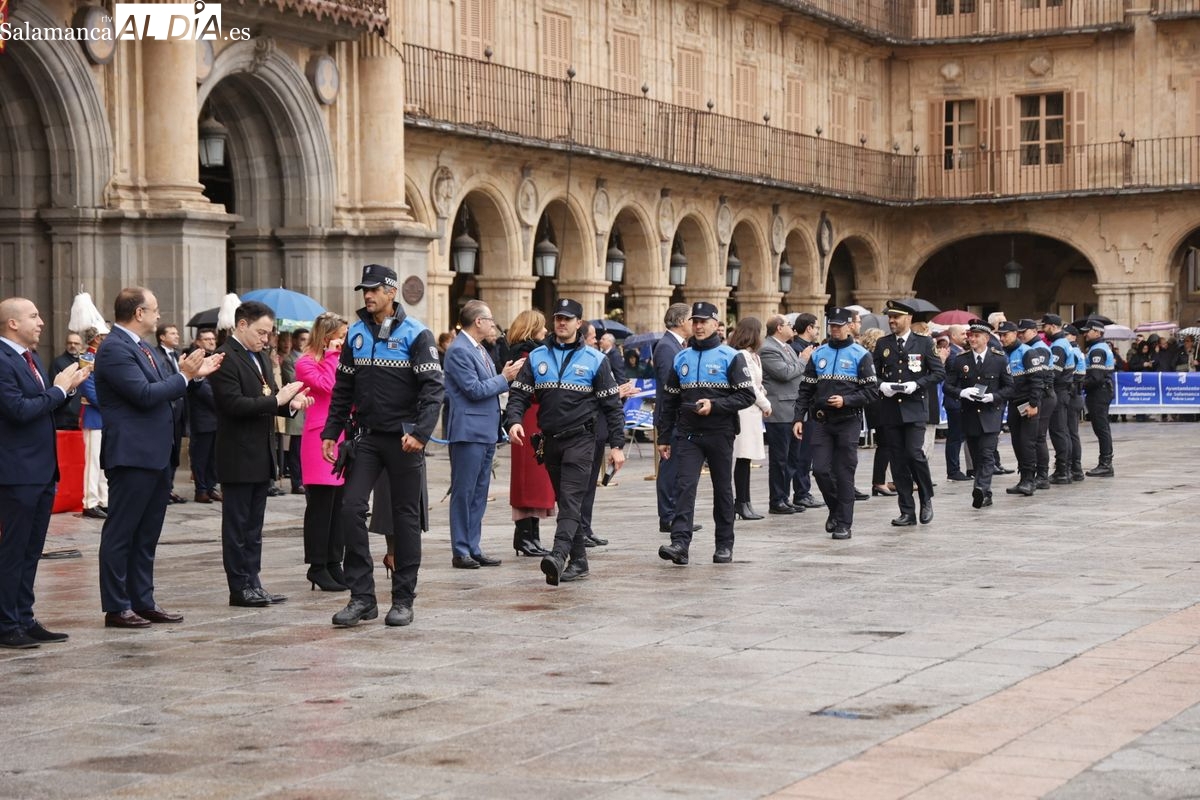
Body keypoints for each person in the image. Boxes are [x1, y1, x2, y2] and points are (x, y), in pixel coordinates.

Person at [323, 264, 445, 627]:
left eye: (374, 289)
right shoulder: (356, 334)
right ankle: (362, 597)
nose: (368, 295)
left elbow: (433, 388)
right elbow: (343, 390)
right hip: (369, 438)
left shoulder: (416, 333)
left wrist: (421, 433)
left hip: (405, 440)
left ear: (391, 292)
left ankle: (404, 598)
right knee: (350, 509)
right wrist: (332, 431)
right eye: (364, 290)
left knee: (405, 518)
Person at [96, 287, 223, 629]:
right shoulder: (114, 349)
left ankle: (143, 599)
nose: (158, 314)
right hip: (132, 454)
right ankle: (117, 605)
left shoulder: (145, 348)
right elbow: (144, 394)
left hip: (156, 453)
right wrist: (186, 375)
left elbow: (168, 387)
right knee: (122, 531)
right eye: (153, 309)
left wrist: (193, 378)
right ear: (138, 313)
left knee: (147, 533)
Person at [504, 299, 625, 584]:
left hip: (583, 439)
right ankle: (580, 561)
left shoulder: (596, 360)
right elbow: (519, 395)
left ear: (578, 323)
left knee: (571, 500)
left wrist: (617, 446)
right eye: (558, 317)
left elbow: (612, 406)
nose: (561, 323)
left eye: (567, 319)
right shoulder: (537, 357)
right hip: (550, 441)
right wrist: (514, 421)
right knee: (564, 500)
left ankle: (559, 556)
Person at [211, 300, 312, 609]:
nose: (266, 339)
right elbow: (233, 404)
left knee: (254, 528)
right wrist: (277, 401)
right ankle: (238, 586)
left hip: (260, 453)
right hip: (238, 455)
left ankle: (254, 581)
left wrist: (289, 404)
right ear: (242, 325)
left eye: (268, 333)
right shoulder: (226, 358)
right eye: (261, 332)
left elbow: (267, 398)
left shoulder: (261, 358)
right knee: (238, 526)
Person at [0, 297, 89, 648]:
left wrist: (70, 386)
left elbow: (44, 407)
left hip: (41, 469)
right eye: (34, 316)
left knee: (32, 549)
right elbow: (20, 410)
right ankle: (6, 623)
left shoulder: (31, 357)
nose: (41, 322)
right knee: (13, 549)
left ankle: (24, 615)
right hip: (16, 471)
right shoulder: (3, 361)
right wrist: (59, 388)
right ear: (12, 323)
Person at [655, 302, 755, 565]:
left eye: (704, 322)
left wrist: (716, 405)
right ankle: (680, 543)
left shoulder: (731, 356)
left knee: (722, 488)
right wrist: (664, 437)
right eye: (695, 321)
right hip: (688, 434)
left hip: (720, 432)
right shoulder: (681, 357)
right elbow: (670, 401)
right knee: (684, 486)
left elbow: (747, 395)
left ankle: (724, 544)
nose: (698, 326)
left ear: (715, 324)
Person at [444, 301, 525, 569]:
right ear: (478, 321)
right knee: (464, 492)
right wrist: (505, 377)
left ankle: (473, 545)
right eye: (489, 319)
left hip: (486, 430)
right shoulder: (458, 350)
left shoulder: (479, 349)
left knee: (479, 492)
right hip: (468, 432)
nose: (493, 324)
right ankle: (460, 549)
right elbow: (474, 390)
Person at [791, 307, 879, 539]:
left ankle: (844, 524)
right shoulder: (819, 354)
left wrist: (847, 400)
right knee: (820, 470)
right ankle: (836, 509)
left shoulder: (861, 354)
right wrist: (799, 417)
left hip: (847, 421)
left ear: (849, 326)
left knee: (844, 472)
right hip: (821, 421)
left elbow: (871, 392)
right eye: (832, 326)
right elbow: (806, 389)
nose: (835, 330)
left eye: (840, 326)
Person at [875, 299, 945, 527]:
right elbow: (872, 374)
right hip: (890, 409)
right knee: (897, 460)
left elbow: (938, 372)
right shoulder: (883, 343)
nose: (892, 321)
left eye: (896, 317)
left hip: (914, 407)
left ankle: (926, 499)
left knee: (914, 453)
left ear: (909, 318)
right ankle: (907, 509)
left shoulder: (924, 343)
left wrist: (918, 384)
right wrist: (881, 385)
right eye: (890, 317)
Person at [296, 312, 350, 591]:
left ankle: (333, 562)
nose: (345, 339)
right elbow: (329, 386)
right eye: (342, 334)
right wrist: (331, 357)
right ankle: (317, 565)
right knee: (321, 505)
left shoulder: (341, 360)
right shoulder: (306, 362)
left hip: (342, 436)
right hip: (318, 437)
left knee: (339, 505)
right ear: (329, 337)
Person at [943, 320, 1014, 510]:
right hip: (970, 414)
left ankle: (980, 488)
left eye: (976, 336)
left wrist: (993, 396)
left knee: (987, 454)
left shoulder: (999, 359)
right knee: (976, 456)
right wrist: (962, 392)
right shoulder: (961, 360)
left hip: (991, 414)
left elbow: (1009, 387)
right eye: (970, 335)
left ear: (986, 338)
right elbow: (947, 385)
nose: (972, 339)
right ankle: (986, 494)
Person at [505, 309, 554, 557]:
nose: (546, 331)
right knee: (527, 478)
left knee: (537, 477)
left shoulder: (532, 351)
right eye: (542, 327)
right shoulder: (525, 354)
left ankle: (532, 535)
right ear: (532, 328)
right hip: (527, 416)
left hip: (537, 416)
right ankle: (523, 536)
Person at [652, 303, 699, 535]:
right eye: (693, 319)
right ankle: (668, 516)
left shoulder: (679, 345)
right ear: (681, 321)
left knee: (680, 468)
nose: (696, 324)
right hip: (670, 418)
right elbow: (670, 383)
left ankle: (678, 515)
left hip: (681, 417)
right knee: (670, 468)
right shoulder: (666, 347)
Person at [760, 314, 806, 515]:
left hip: (792, 410)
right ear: (779, 327)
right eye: (789, 325)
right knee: (780, 458)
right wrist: (803, 360)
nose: (792, 328)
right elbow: (784, 373)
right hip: (779, 411)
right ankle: (776, 499)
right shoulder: (768, 348)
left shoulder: (786, 346)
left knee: (792, 458)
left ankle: (784, 497)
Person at [998, 321, 1049, 497]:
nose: (1002, 338)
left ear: (1015, 334)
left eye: (1005, 335)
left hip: (1028, 403)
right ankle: (1023, 478)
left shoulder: (1027, 352)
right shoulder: (1003, 354)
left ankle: (1030, 480)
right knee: (1017, 443)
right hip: (1013, 404)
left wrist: (1034, 404)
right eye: (1000, 335)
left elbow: (1037, 381)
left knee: (1028, 443)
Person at [728, 317, 772, 521]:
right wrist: (766, 403)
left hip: (753, 411)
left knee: (747, 459)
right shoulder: (741, 355)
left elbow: (757, 382)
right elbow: (749, 386)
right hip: (745, 411)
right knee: (743, 457)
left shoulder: (755, 356)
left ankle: (746, 501)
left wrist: (762, 394)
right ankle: (741, 502)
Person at [787, 313, 823, 508]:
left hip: (814, 405)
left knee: (808, 453)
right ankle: (801, 492)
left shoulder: (813, 349)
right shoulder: (796, 349)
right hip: (804, 406)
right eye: (817, 328)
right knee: (802, 453)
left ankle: (804, 490)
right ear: (809, 328)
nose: (818, 331)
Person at [1017, 319, 1056, 490]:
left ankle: (1042, 475)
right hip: (1042, 395)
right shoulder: (1030, 348)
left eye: (1023, 332)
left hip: (1044, 396)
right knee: (1034, 437)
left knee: (1038, 437)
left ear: (1034, 331)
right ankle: (1035, 474)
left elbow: (1040, 378)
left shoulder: (1038, 349)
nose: (1021, 336)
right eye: (1019, 333)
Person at [858, 327, 895, 497]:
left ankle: (881, 481)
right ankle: (879, 482)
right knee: (885, 443)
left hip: (876, 402)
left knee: (886, 443)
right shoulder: (871, 357)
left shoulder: (868, 355)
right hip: (878, 402)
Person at [78, 325, 110, 519]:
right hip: (94, 414)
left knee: (102, 462)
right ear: (97, 338)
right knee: (93, 462)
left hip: (104, 415)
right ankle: (90, 501)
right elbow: (89, 389)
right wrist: (111, 404)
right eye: (105, 336)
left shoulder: (102, 357)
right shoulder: (87, 358)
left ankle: (103, 499)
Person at [1079, 316, 1116, 476]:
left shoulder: (1097, 350)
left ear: (1096, 332)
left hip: (1099, 392)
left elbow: (1096, 377)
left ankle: (1106, 463)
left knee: (1101, 428)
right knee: (1102, 428)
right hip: (1101, 391)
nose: (1085, 335)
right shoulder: (1100, 347)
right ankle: (1105, 462)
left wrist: (1079, 384)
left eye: (1088, 332)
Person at [156, 323, 188, 505]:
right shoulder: (157, 355)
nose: (177, 336)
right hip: (167, 409)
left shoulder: (177, 355)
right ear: (162, 337)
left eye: (177, 333)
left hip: (180, 411)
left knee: (175, 452)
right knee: (166, 450)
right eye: (172, 333)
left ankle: (170, 488)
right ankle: (163, 489)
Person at [187, 329, 221, 503]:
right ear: (198, 342)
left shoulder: (216, 358)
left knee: (214, 456)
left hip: (217, 418)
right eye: (207, 339)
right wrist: (220, 403)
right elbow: (201, 388)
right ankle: (201, 489)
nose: (211, 342)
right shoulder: (194, 358)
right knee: (200, 455)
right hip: (202, 416)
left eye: (213, 339)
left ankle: (211, 486)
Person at [937, 333, 969, 482]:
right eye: (962, 333)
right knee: (955, 437)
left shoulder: (958, 352)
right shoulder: (954, 354)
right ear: (953, 335)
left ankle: (957, 469)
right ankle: (953, 470)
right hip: (955, 401)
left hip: (958, 401)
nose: (966, 336)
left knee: (959, 436)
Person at [1064, 324, 1088, 481]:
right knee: (1072, 433)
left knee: (1070, 433)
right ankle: (1075, 466)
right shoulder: (1078, 351)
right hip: (1077, 395)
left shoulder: (1071, 351)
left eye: (1066, 334)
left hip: (1072, 395)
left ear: (1072, 336)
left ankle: (1073, 467)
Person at [50, 331, 85, 430]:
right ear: (66, 344)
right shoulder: (57, 363)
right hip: (65, 418)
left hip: (82, 415)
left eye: (76, 343)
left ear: (81, 346)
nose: (72, 345)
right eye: (70, 343)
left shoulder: (85, 363)